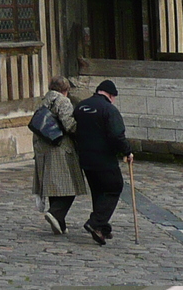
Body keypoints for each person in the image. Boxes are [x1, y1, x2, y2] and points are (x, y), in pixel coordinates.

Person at [72, 79, 130, 245]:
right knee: (114, 186)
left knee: (98, 191)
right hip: (104, 157)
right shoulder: (109, 109)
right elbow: (117, 135)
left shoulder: (81, 106)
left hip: (85, 157)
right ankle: (95, 223)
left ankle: (102, 228)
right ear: (111, 95)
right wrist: (127, 151)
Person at [31, 76, 88, 235]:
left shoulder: (42, 102)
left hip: (43, 149)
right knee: (70, 185)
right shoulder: (63, 102)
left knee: (54, 185)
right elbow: (69, 125)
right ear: (66, 90)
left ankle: (59, 223)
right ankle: (56, 213)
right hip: (60, 148)